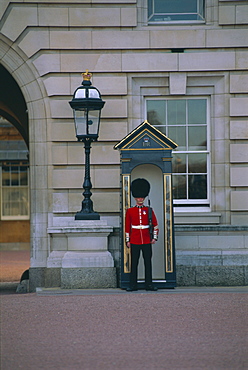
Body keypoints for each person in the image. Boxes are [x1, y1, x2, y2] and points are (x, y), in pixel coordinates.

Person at [125, 178, 159, 291]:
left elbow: (155, 224)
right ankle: (132, 285)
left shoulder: (149, 210)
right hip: (134, 240)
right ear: (135, 198)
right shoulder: (130, 211)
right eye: (139, 197)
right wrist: (128, 240)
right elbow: (127, 227)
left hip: (146, 240)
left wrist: (154, 237)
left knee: (147, 263)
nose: (140, 199)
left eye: (142, 197)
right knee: (134, 263)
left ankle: (148, 284)